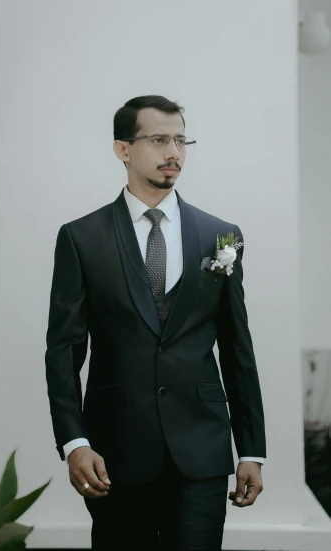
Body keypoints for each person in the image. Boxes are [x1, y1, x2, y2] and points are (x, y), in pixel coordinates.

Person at [45, 95, 266, 550]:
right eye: (160, 139)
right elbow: (64, 352)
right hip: (115, 451)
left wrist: (251, 449)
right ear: (123, 149)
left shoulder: (221, 237)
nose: (174, 153)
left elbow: (238, 348)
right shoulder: (81, 238)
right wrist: (74, 443)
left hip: (202, 448)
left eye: (181, 141)